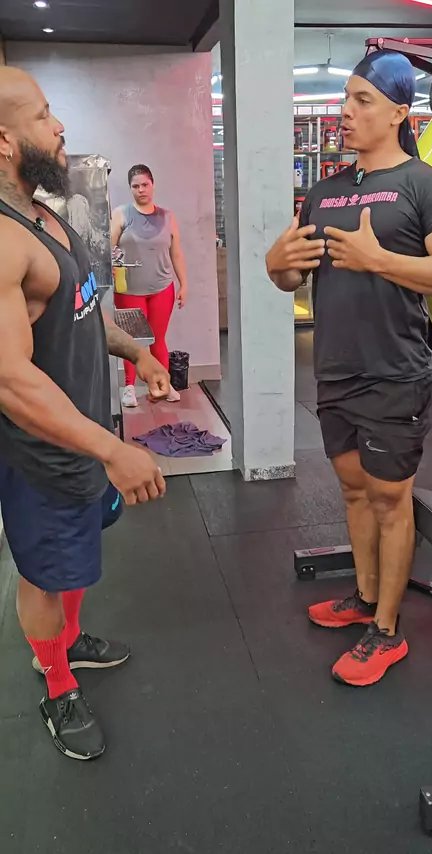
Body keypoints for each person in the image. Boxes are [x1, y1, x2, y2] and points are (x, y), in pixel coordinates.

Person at [266, 50, 432, 687]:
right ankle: (362, 598)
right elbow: (290, 278)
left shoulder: (426, 186)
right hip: (335, 370)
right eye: (346, 99)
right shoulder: (325, 192)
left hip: (394, 374)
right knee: (354, 491)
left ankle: (387, 631)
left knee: (390, 500)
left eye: (362, 100)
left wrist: (379, 259)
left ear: (398, 112)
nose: (346, 111)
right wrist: (276, 264)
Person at [0, 66, 172, 760]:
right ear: (5, 140)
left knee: (73, 558)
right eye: (44, 115)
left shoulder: (45, 217)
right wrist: (111, 449)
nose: (60, 125)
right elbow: (10, 379)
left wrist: (139, 352)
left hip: (84, 438)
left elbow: (84, 310)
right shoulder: (4, 240)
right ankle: (57, 682)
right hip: (43, 452)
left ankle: (69, 640)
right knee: (43, 573)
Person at [111, 165, 188, 408]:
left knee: (158, 339)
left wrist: (184, 284)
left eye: (145, 184)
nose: (141, 190)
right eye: (135, 186)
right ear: (130, 189)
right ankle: (129, 388)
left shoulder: (168, 216)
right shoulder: (121, 214)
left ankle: (164, 384)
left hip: (161, 288)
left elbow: (176, 253)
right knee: (132, 341)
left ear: (152, 184)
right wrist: (109, 264)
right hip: (129, 289)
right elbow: (107, 248)